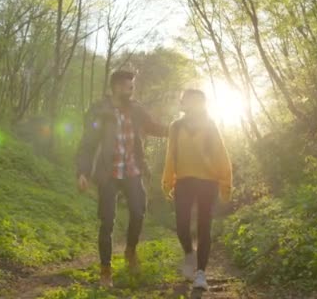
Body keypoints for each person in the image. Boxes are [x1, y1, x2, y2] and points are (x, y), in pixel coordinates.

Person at [76, 70, 168, 288]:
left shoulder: (136, 110)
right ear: (117, 86)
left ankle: (130, 250)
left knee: (138, 211)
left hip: (133, 172)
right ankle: (105, 269)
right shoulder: (99, 111)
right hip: (108, 173)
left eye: (133, 86)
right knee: (107, 221)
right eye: (129, 86)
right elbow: (87, 143)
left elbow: (153, 127)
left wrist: (175, 129)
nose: (132, 89)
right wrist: (83, 172)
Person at [162, 89, 232, 290]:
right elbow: (170, 156)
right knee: (181, 224)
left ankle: (201, 273)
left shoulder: (210, 126)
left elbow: (221, 154)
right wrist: (167, 181)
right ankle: (189, 254)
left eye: (197, 101)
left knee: (204, 226)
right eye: (187, 101)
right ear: (183, 103)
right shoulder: (175, 127)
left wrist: (225, 183)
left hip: (208, 182)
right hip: (183, 181)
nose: (191, 104)